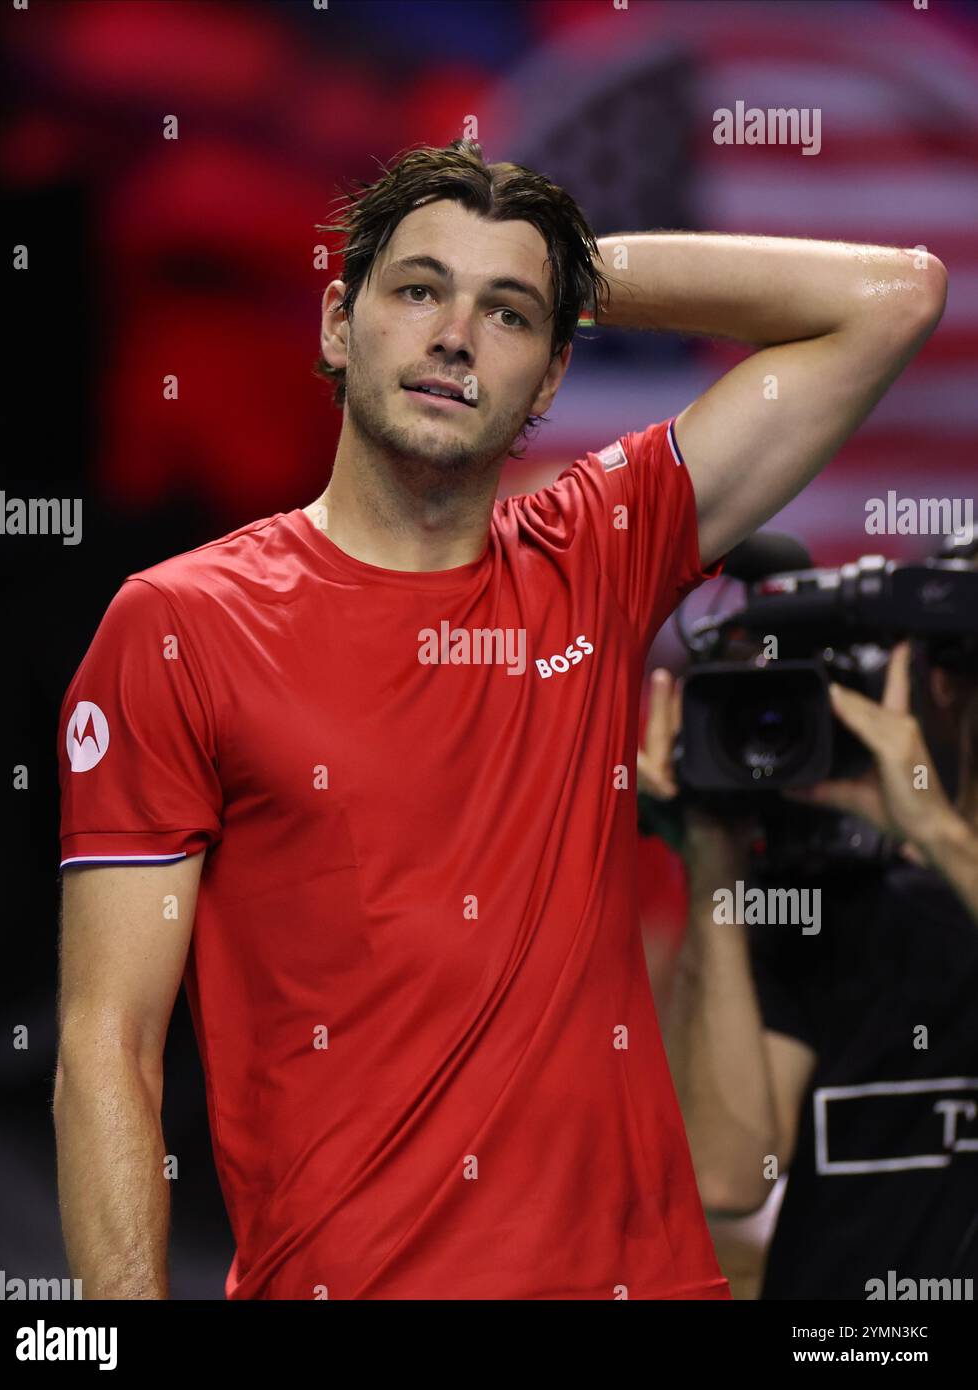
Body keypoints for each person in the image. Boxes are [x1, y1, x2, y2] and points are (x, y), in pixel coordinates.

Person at [53, 137, 947, 1300]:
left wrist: (571, 261)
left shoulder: (599, 549)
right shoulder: (178, 624)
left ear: (554, 373)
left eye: (509, 313)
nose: (455, 335)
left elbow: (893, 299)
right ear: (338, 323)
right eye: (418, 288)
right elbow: (105, 1048)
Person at [641, 631, 978, 1299]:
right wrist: (715, 867)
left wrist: (939, 834)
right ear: (944, 683)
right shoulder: (830, 904)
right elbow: (724, 1177)